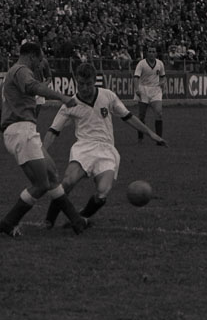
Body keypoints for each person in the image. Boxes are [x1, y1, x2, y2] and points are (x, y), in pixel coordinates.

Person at [43, 63, 167, 228]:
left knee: (103, 192)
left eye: (88, 84)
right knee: (67, 182)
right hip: (84, 147)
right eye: (81, 84)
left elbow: (128, 116)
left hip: (107, 150)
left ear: (95, 81)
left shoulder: (108, 96)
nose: (84, 88)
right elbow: (53, 131)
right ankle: (49, 221)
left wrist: (151, 133)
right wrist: (42, 151)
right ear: (76, 81)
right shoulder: (69, 104)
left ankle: (80, 218)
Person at [0, 42, 87, 237]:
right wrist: (62, 97)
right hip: (22, 131)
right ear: (32, 56)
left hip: (21, 131)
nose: (41, 63)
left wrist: (9, 133)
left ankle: (76, 221)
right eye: (40, 59)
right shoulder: (21, 70)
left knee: (52, 175)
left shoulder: (9, 76)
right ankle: (8, 223)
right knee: (41, 184)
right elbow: (32, 86)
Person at [133, 46, 166, 144]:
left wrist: (163, 83)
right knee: (141, 116)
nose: (152, 53)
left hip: (156, 90)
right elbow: (136, 77)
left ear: (156, 53)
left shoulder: (160, 63)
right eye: (150, 51)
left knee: (159, 113)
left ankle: (159, 139)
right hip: (143, 89)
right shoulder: (141, 64)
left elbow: (163, 77)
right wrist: (137, 89)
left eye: (153, 51)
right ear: (147, 53)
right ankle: (140, 138)